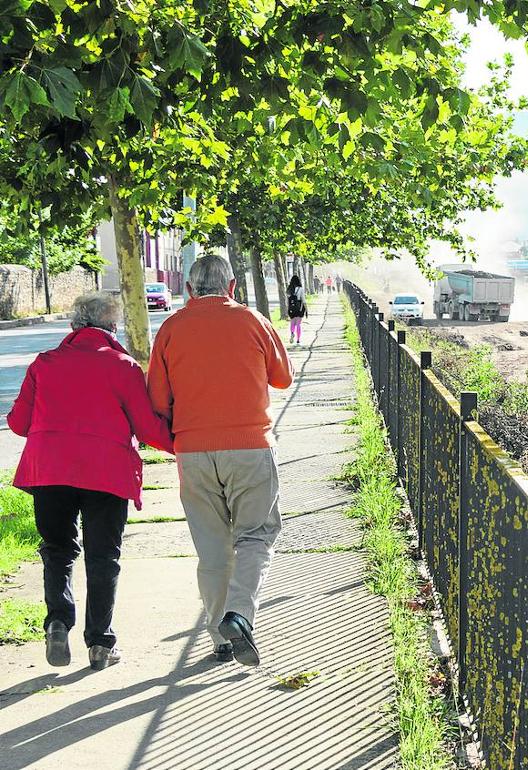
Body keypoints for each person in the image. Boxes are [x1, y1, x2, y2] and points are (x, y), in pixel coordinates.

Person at [5, 292, 174, 670]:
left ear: (73, 326)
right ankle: (100, 644)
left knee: (58, 550)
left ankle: (58, 623)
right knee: (103, 558)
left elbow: (17, 424)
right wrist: (186, 446)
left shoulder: (44, 364)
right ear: (112, 327)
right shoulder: (124, 366)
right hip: (106, 474)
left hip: (49, 473)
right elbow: (149, 429)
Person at [148, 255, 293, 666]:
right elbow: (282, 379)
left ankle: (220, 638)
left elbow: (157, 400)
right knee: (255, 535)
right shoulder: (253, 321)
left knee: (211, 548)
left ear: (190, 290)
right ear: (232, 287)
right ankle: (239, 615)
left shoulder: (171, 329)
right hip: (250, 446)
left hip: (192, 452)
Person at [287, 274, 306, 345]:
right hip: (299, 308)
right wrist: (306, 309)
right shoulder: (300, 289)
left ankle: (292, 333)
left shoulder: (289, 288)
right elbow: (303, 299)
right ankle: (298, 339)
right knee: (298, 324)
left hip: (291, 308)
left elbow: (288, 297)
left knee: (292, 322)